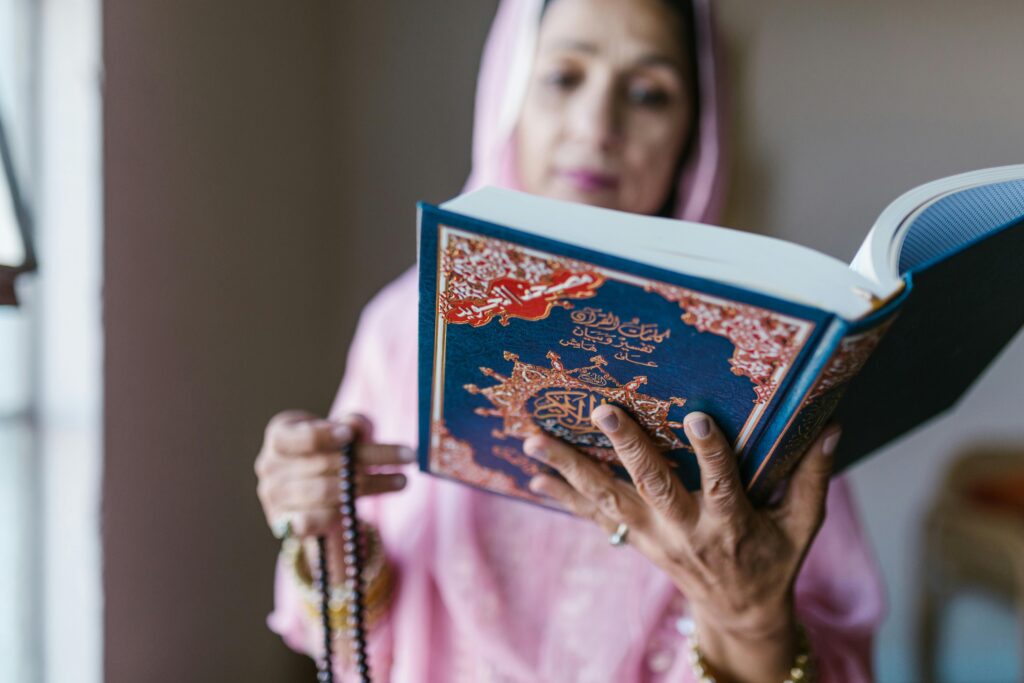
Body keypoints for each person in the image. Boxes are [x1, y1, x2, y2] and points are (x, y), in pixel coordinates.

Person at [255, 0, 885, 680]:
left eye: (649, 93)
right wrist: (323, 523)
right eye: (563, 77)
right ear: (509, 92)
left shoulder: (768, 361)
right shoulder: (403, 330)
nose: (597, 126)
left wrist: (749, 617)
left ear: (695, 137)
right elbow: (355, 632)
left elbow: (838, 660)